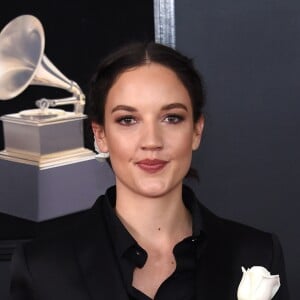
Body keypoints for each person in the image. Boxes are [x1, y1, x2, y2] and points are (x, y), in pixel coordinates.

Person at [9, 42, 289, 300]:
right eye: (128, 119)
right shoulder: (41, 267)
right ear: (100, 134)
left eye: (171, 118)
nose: (152, 141)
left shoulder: (257, 253)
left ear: (196, 131)